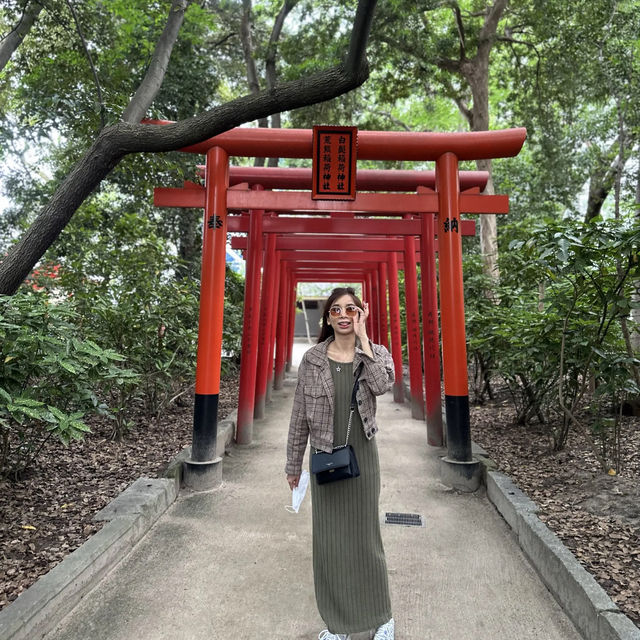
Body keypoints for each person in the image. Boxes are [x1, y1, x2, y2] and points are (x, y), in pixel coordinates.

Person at [285, 287, 395, 640]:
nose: (344, 314)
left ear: (361, 313)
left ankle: (382, 617)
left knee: (365, 539)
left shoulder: (375, 355)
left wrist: (364, 339)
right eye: (336, 310)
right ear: (327, 318)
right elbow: (299, 414)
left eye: (351, 309)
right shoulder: (313, 360)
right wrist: (292, 464)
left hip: (362, 455)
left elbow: (382, 386)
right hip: (323, 456)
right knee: (330, 543)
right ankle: (339, 624)